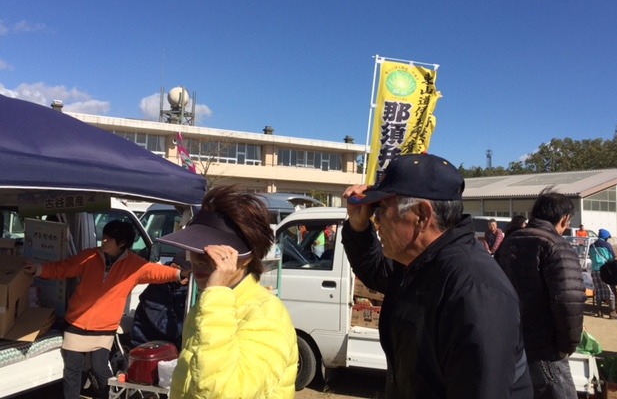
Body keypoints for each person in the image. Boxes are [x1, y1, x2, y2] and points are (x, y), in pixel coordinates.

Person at [342, 153, 532, 398]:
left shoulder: (475, 291)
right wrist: (358, 227)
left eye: (383, 210)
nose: (377, 221)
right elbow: (376, 271)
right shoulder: (420, 263)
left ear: (422, 216)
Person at [156, 185, 298, 399]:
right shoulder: (209, 305)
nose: (198, 259)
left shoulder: (266, 314)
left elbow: (224, 392)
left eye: (215, 253)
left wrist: (216, 294)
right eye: (194, 249)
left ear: (247, 258)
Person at [23, 220, 189, 399]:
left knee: (100, 369)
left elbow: (154, 271)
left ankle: (111, 397)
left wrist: (178, 274)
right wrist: (38, 269)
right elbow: (64, 268)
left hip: (104, 328)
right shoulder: (89, 256)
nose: (103, 241)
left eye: (108, 238)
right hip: (76, 322)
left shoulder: (133, 264)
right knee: (73, 368)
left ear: (122, 243)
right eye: (104, 236)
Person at [495, 188, 585, 399]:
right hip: (545, 348)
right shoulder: (557, 247)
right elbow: (569, 301)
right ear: (564, 219)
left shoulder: (508, 243)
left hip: (511, 341)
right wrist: (567, 345)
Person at [130, 254, 190, 349]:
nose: (188, 280)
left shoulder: (185, 286)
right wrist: (189, 330)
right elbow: (165, 325)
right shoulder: (156, 289)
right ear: (174, 267)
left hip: (173, 342)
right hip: (149, 344)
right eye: (185, 275)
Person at [589, 233, 617, 318]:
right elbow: (612, 257)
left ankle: (599, 311)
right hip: (605, 270)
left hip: (594, 270)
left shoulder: (592, 245)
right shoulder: (606, 245)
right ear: (606, 237)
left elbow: (591, 257)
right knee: (610, 291)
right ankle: (612, 312)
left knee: (598, 290)